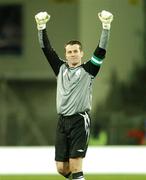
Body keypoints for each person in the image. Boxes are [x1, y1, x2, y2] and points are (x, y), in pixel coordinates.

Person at [35, 10, 113, 180]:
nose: (72, 54)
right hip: (62, 121)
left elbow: (101, 50)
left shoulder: (89, 70)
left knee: (76, 166)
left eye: (75, 51)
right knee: (62, 168)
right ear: (66, 55)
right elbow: (46, 49)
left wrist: (106, 26)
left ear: (81, 53)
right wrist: (41, 27)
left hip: (79, 120)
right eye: (69, 52)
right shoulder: (60, 68)